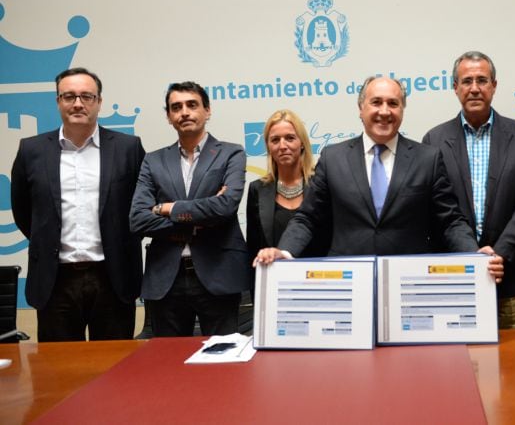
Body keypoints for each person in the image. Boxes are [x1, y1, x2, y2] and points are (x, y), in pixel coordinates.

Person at [256, 76, 504, 282]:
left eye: (393, 104)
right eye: (376, 102)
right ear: (361, 109)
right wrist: (285, 252)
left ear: (402, 111)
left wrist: (474, 255)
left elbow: (450, 221)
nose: (384, 111)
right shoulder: (333, 158)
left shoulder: (427, 158)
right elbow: (308, 218)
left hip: (409, 283)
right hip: (348, 282)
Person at [10, 67, 145, 341]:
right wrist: (48, 241)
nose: (78, 104)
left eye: (87, 96)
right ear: (58, 101)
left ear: (99, 101)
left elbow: (141, 207)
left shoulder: (128, 148)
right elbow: (24, 211)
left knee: (114, 371)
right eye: (69, 96)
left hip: (113, 276)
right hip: (55, 279)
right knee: (59, 374)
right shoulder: (31, 149)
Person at [423, 51, 515, 329]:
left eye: (482, 80)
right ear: (455, 87)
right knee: (457, 356)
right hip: (454, 268)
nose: (474, 88)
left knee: (514, 358)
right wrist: (471, 254)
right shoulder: (435, 140)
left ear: (494, 85)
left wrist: (498, 252)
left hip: (509, 269)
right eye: (466, 81)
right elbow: (438, 205)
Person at [130, 81, 250, 336]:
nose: (184, 112)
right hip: (167, 279)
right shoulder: (153, 160)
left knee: (223, 363)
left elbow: (225, 207)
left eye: (192, 105)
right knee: (168, 367)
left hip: (219, 274)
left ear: (207, 110)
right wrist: (197, 221)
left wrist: (165, 208)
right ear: (169, 116)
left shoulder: (231, 154)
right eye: (176, 107)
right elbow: (138, 219)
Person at [246, 109, 329, 258]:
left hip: (320, 276)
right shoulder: (257, 189)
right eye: (275, 140)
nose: (282, 146)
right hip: (275, 278)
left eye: (290, 138)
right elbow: (254, 248)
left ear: (302, 143)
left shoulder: (321, 183)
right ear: (268, 147)